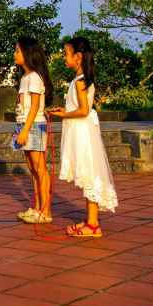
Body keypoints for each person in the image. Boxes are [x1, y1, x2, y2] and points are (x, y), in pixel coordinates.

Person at [47, 35, 119, 237]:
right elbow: (80, 106)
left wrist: (64, 114)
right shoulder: (81, 79)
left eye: (66, 54)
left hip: (82, 131)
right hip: (82, 129)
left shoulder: (80, 81)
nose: (64, 58)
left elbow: (84, 111)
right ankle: (90, 219)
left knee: (89, 174)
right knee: (88, 173)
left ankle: (94, 224)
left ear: (77, 56)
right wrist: (65, 109)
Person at [12, 37, 53, 225]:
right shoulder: (25, 77)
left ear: (28, 53)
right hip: (25, 125)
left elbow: (36, 106)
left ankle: (46, 210)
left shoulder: (35, 77)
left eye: (18, 51)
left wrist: (25, 130)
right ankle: (38, 207)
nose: (15, 54)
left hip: (34, 125)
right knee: (32, 168)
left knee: (40, 168)